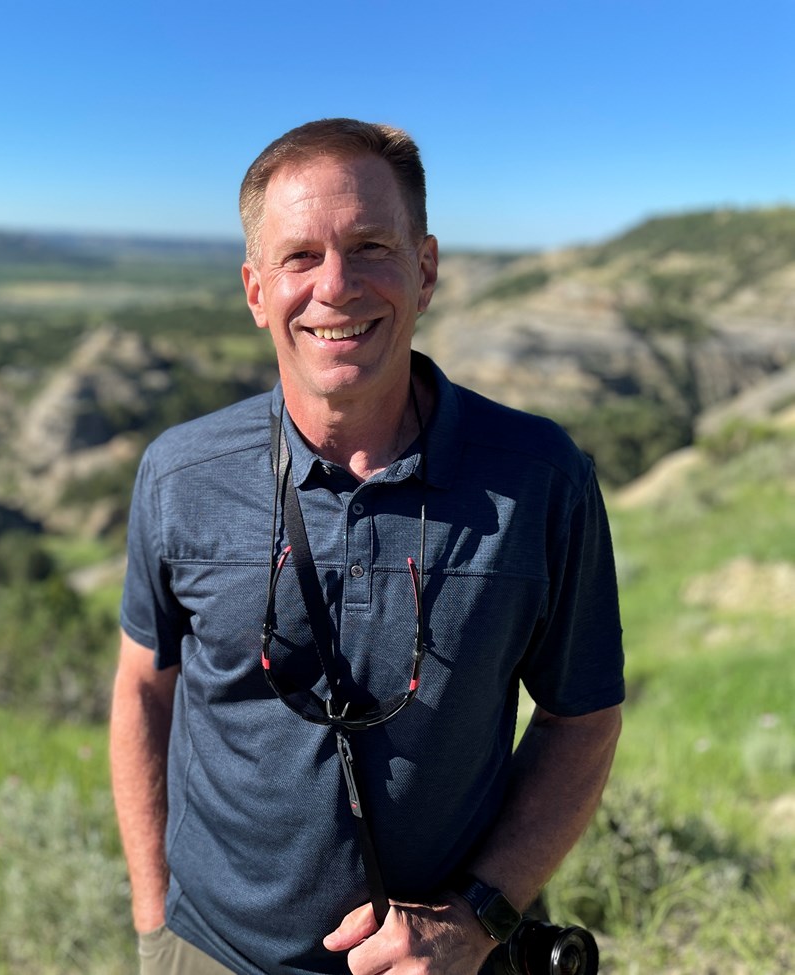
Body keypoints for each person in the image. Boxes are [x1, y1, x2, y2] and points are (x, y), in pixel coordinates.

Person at [109, 118, 624, 975]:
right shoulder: (180, 473)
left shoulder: (541, 479)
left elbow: (584, 716)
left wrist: (479, 916)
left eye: (370, 247)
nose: (336, 286)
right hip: (209, 950)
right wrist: (155, 922)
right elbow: (141, 685)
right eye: (300, 256)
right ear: (255, 291)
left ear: (425, 269)